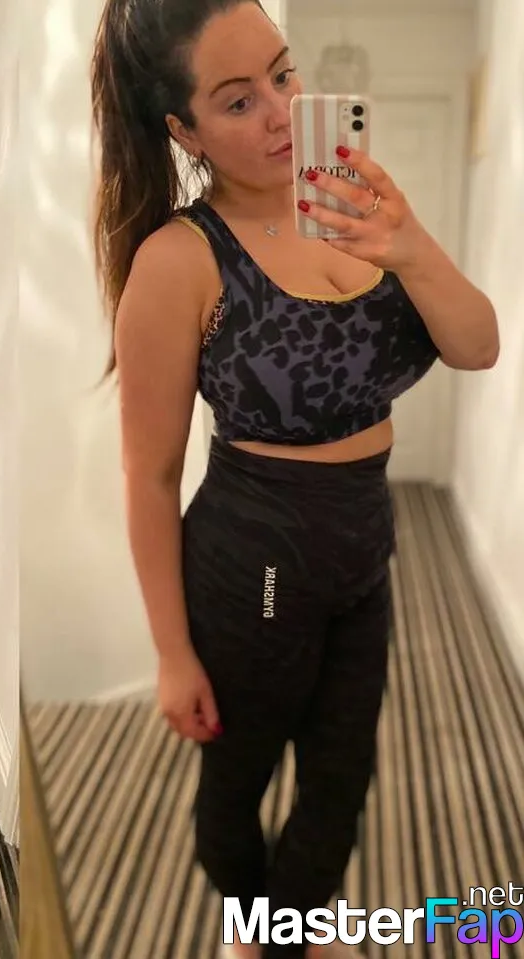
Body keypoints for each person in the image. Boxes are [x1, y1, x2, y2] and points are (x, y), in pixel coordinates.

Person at [90, 1, 498, 957]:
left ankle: (296, 927)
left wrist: (408, 243)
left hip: (366, 547)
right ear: (184, 130)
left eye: (282, 74)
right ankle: (259, 932)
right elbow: (149, 473)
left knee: (342, 773)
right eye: (239, 101)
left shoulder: (361, 206)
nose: (280, 111)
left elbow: (476, 343)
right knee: (239, 779)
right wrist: (171, 652)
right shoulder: (180, 259)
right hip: (256, 565)